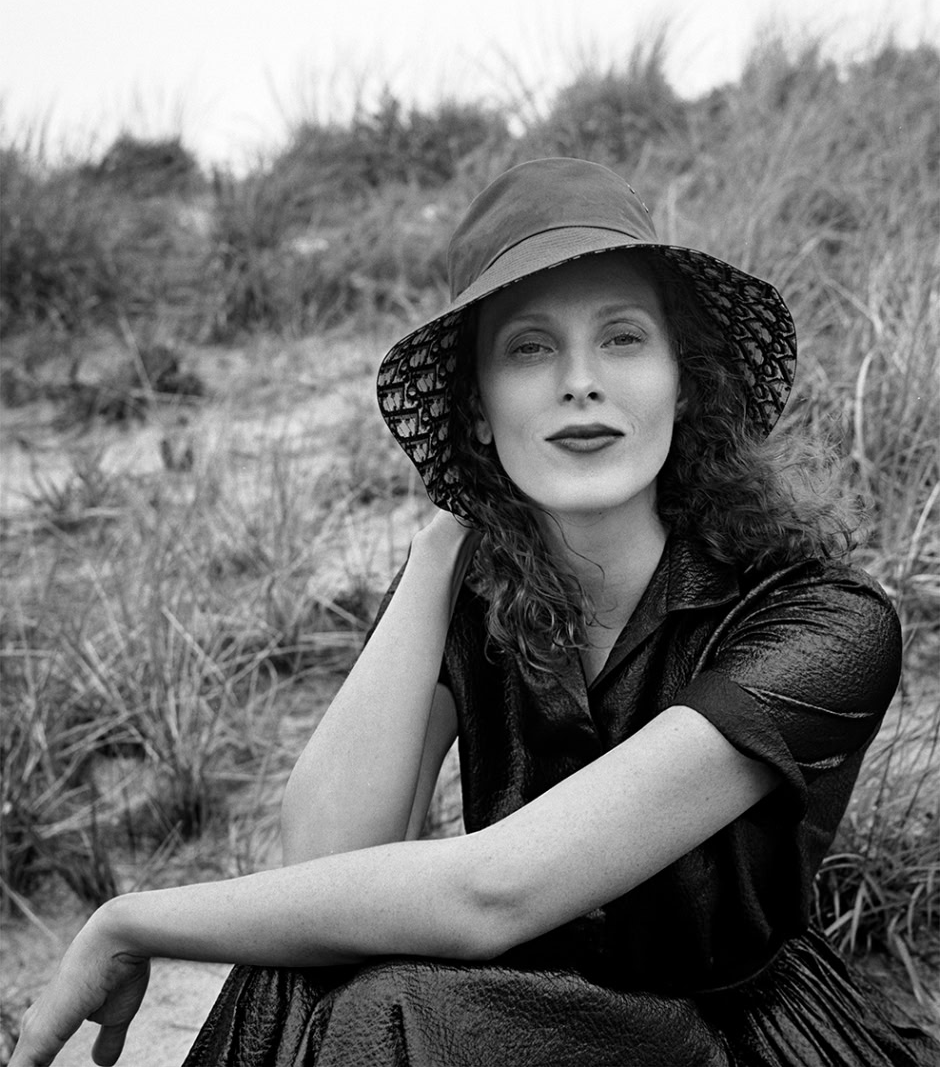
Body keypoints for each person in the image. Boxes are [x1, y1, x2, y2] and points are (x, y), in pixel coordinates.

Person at [11, 158, 937, 1067]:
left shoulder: (822, 619)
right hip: (505, 1005)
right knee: (297, 971)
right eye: (530, 348)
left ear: (683, 381)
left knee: (387, 1008)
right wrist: (440, 551)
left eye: (622, 338)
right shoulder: (480, 590)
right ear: (481, 409)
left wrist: (132, 922)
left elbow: (497, 893)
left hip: (718, 1035)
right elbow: (325, 856)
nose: (581, 381)